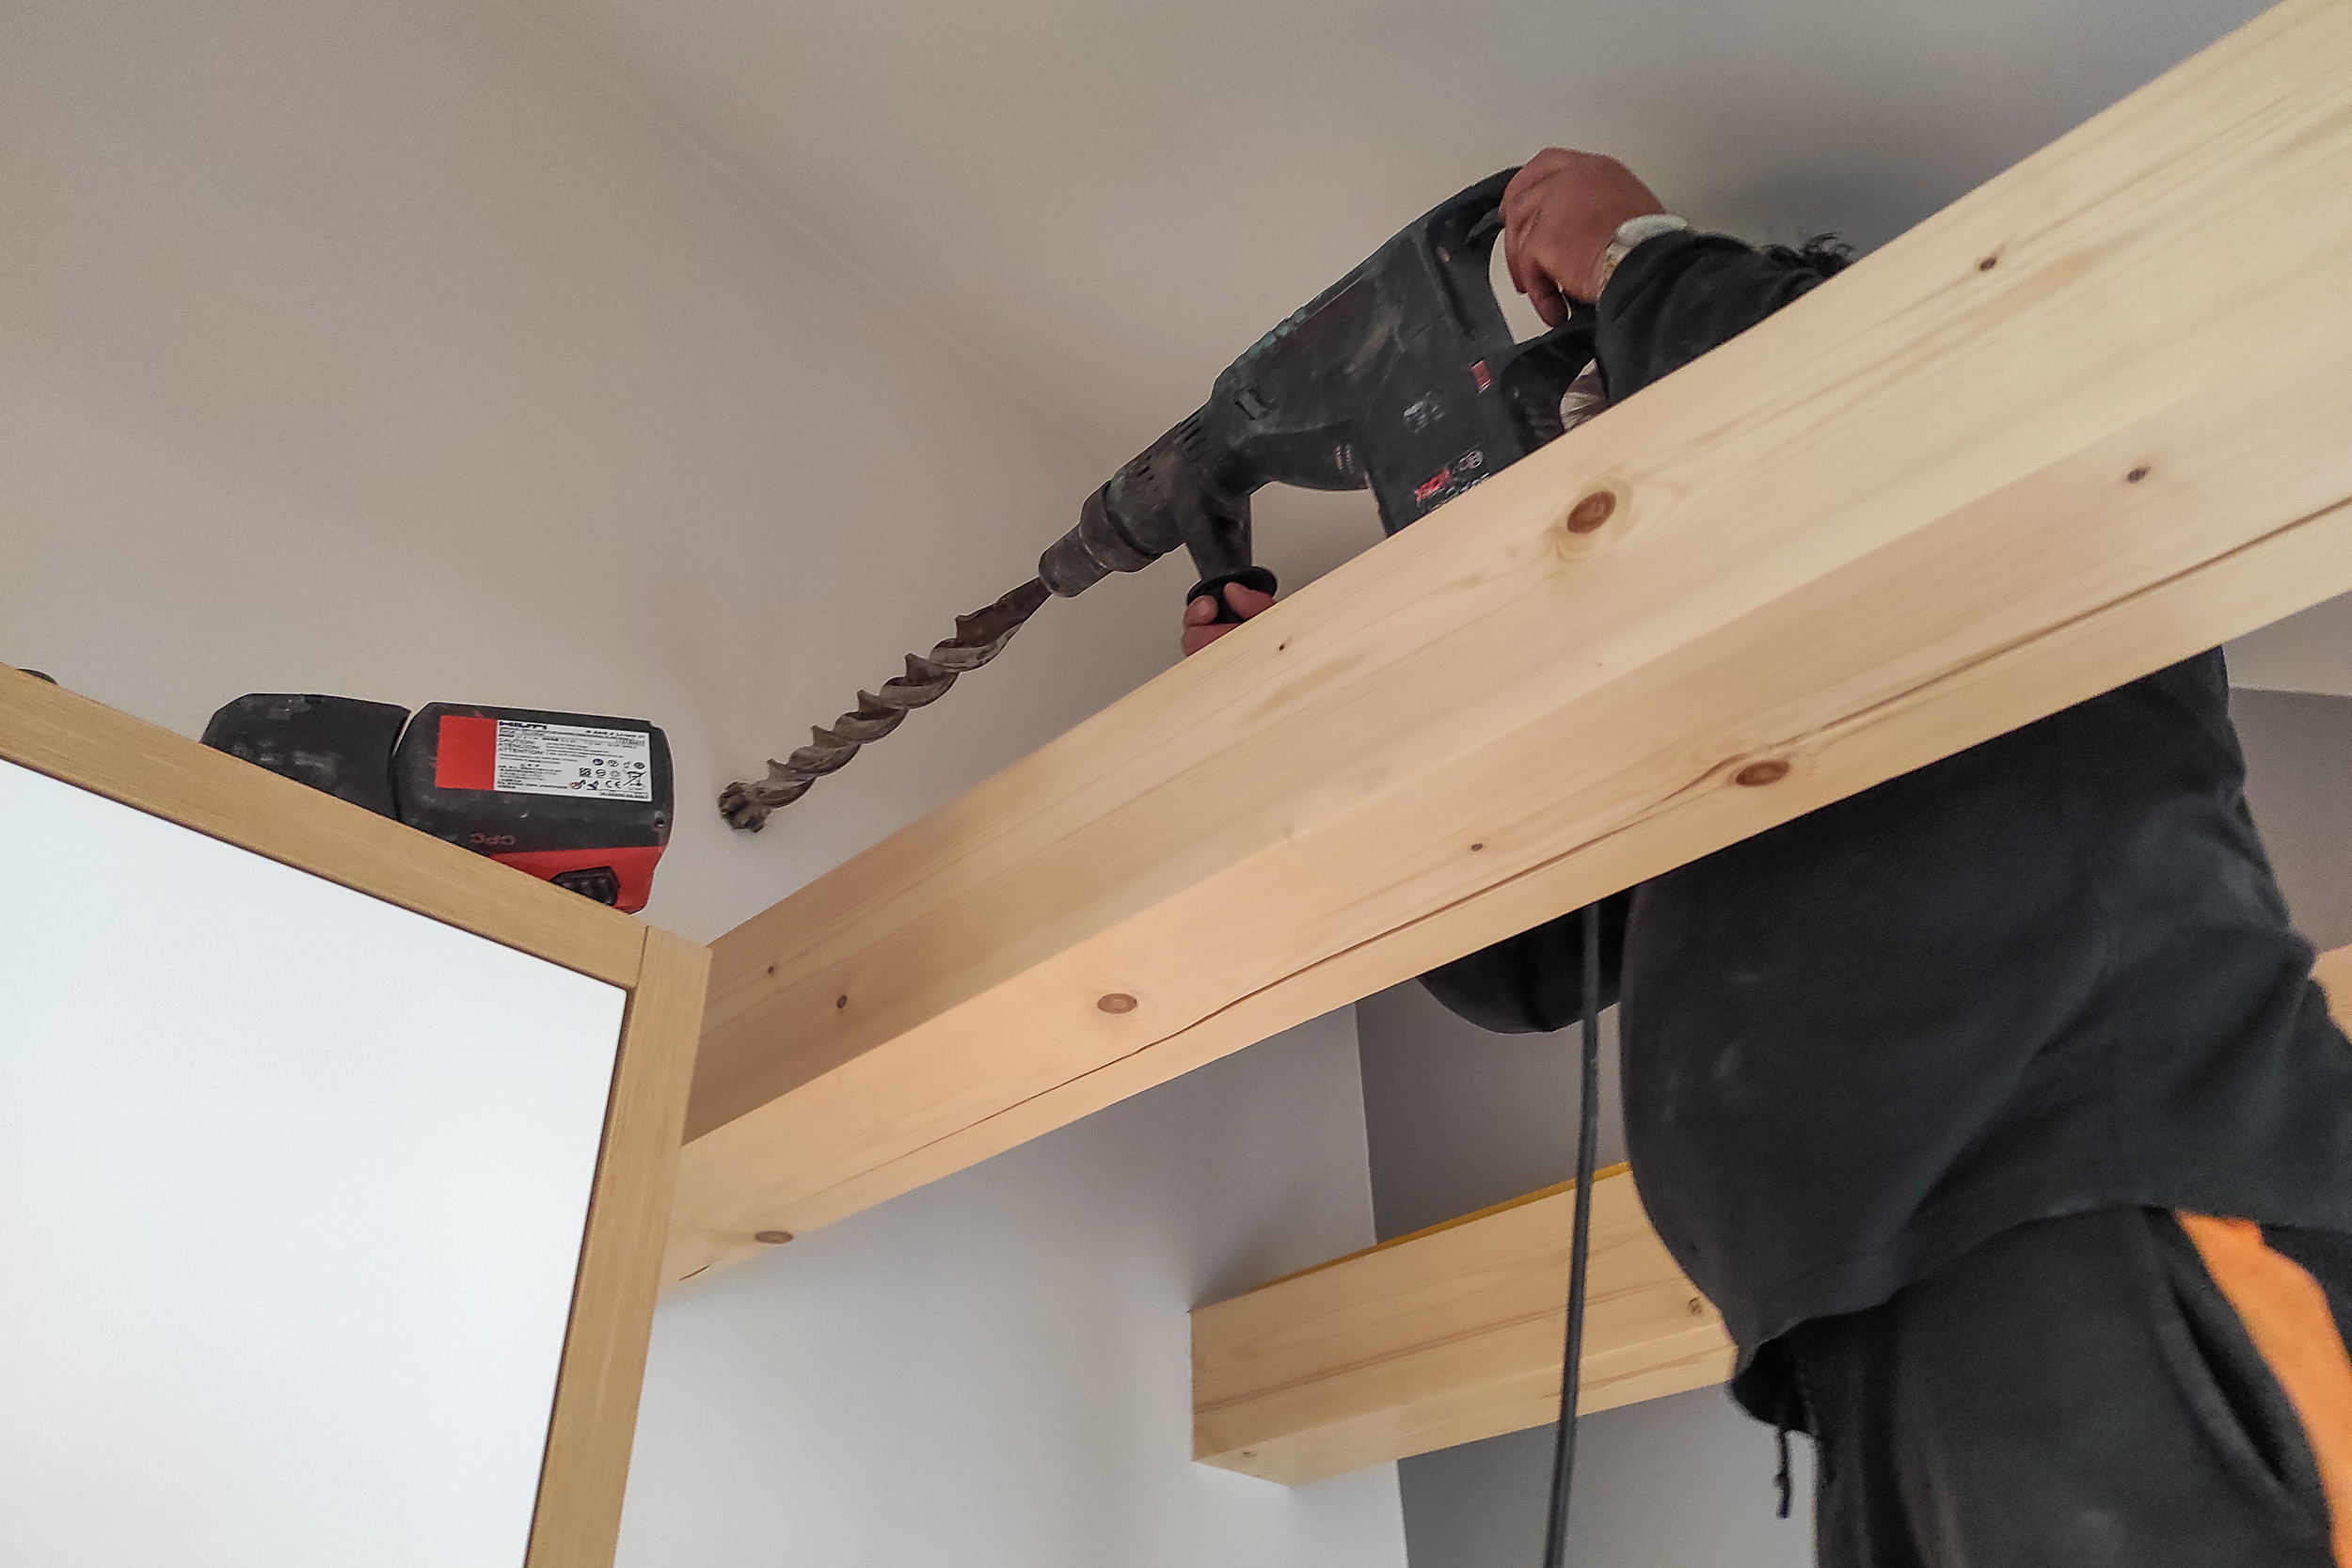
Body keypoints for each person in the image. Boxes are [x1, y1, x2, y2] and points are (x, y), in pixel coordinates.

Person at [1183, 149, 2352, 1567]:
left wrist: (1636, 255)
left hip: (2106, 1206)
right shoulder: (1710, 741)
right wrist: (1300, 739)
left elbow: (1875, 394)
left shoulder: (2020, 483)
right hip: (1857, 1336)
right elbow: (1518, 960)